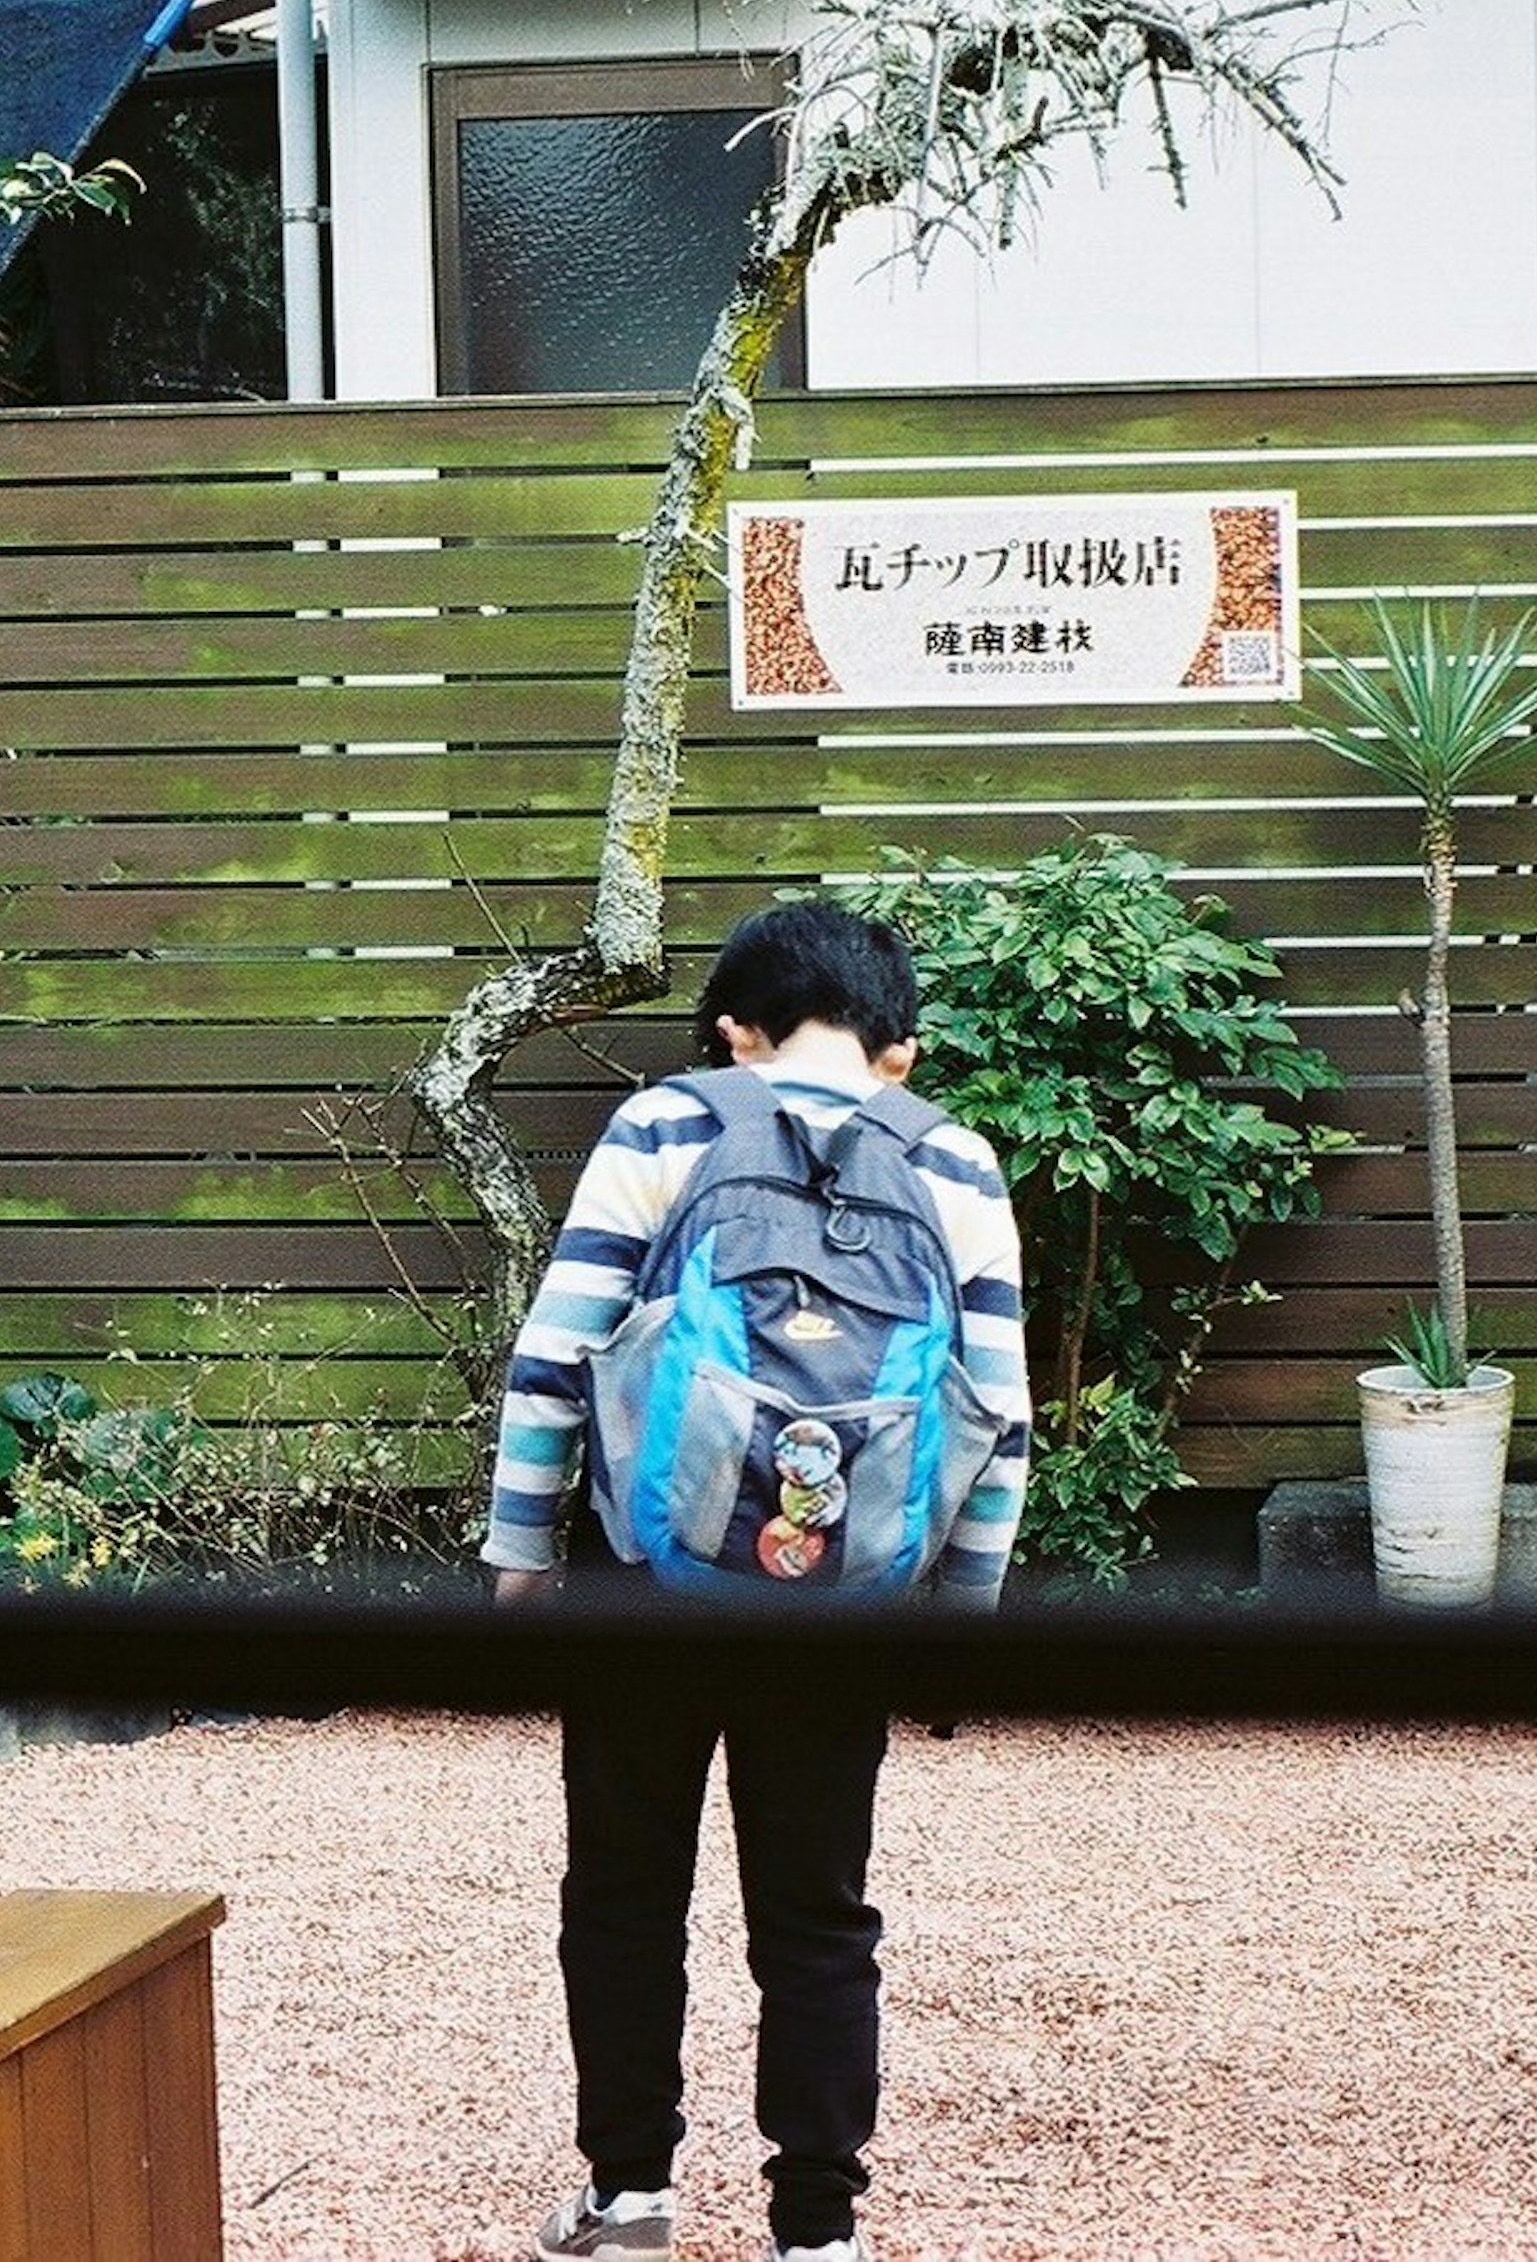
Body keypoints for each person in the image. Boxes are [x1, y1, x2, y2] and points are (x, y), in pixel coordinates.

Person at [486, 900, 1031, 2262]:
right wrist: (961, 1613)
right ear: (896, 1048)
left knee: (621, 1885)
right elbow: (1001, 1418)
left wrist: (518, 1552)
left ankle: (629, 2198)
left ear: (734, 1030)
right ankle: (818, 2228)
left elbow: (558, 1354)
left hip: (648, 1574)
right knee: (819, 1909)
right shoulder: (954, 1158)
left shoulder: (671, 1123)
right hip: (842, 1595)